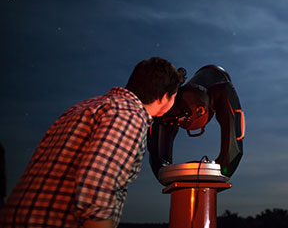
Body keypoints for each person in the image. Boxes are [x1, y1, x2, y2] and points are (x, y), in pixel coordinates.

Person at [0, 57, 184, 228]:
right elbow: (97, 186)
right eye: (174, 96)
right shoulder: (129, 115)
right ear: (163, 97)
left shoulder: (86, 107)